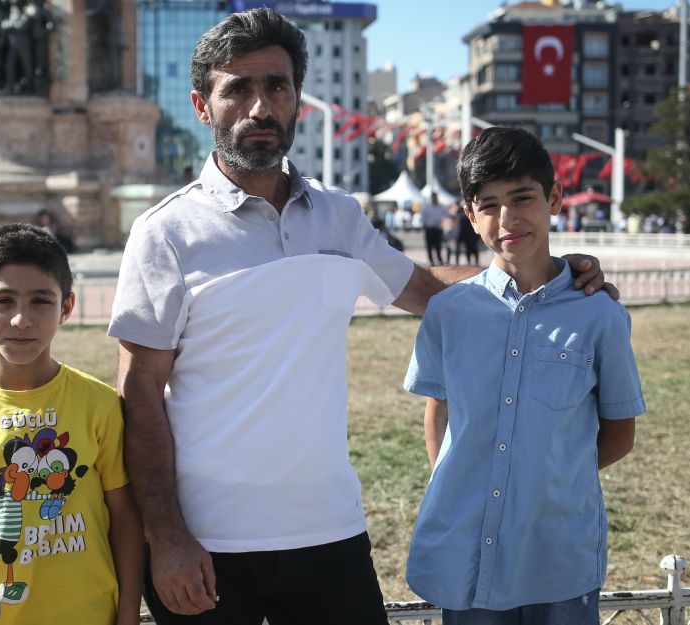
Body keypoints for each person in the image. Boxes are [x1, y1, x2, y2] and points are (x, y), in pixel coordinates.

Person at [107, 9, 613, 625]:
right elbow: (137, 393)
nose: (259, 107)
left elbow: (429, 289)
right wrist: (168, 538)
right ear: (202, 105)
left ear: (298, 101)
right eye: (236, 88)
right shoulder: (166, 233)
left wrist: (551, 274)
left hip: (329, 533)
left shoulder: (337, 217)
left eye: (277, 87)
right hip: (209, 545)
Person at [403, 127, 645, 625]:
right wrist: (464, 484)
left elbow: (619, 433)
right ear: (469, 216)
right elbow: (440, 411)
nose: (507, 218)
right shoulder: (449, 313)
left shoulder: (600, 315)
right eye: (488, 205)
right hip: (463, 549)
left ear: (554, 198)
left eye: (522, 198)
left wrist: (545, 475)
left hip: (556, 547)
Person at [0, 224, 143, 625]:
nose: (21, 319)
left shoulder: (100, 405)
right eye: (3, 300)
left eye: (40, 301)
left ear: (66, 307)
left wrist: (127, 615)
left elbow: (124, 521)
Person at [421, 192, 447, 265]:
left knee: (438, 245)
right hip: (429, 229)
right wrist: (425, 225)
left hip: (438, 229)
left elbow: (446, 215)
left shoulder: (441, 206)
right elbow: (423, 217)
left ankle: (439, 259)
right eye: (433, 198)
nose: (434, 199)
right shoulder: (426, 207)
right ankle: (431, 260)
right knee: (429, 245)